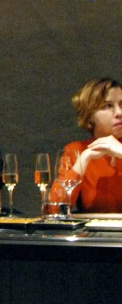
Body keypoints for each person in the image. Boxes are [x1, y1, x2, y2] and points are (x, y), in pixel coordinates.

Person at [52, 77, 122, 213]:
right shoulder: (76, 150)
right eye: (108, 106)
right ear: (89, 115)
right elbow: (55, 209)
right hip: (96, 233)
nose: (119, 113)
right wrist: (84, 159)